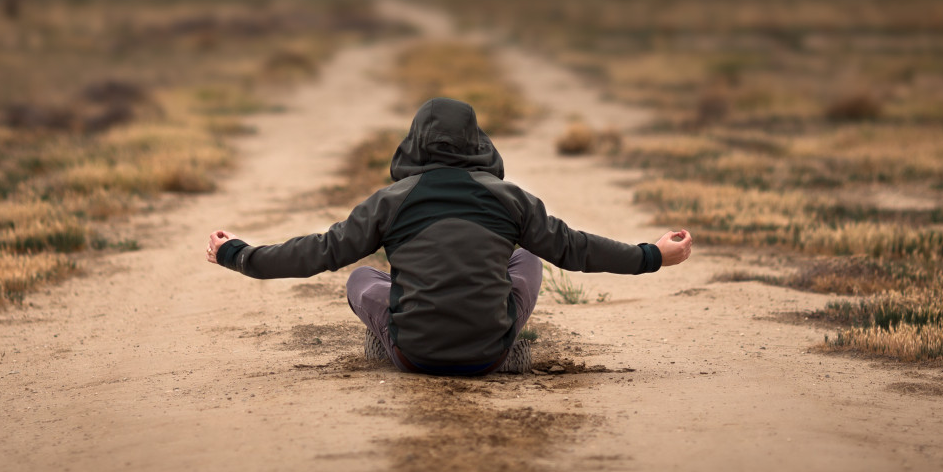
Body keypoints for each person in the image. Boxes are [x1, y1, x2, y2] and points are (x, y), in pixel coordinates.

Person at [206, 96, 693, 376]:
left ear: (413, 142)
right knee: (530, 258)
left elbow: (318, 252)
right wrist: (652, 255)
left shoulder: (390, 200)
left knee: (360, 277)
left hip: (412, 354)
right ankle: (504, 341)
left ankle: (388, 342)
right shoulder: (511, 199)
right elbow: (576, 248)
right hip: (489, 354)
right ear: (477, 142)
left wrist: (238, 254)